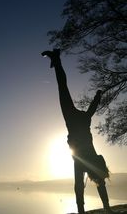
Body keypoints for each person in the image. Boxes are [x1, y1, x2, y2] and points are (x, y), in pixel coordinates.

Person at [42, 49, 115, 214]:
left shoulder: (85, 118)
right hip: (80, 144)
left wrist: (98, 96)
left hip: (80, 148)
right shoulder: (85, 119)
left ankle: (57, 59)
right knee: (62, 88)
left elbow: (91, 109)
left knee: (62, 87)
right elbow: (92, 108)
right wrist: (97, 96)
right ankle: (104, 208)